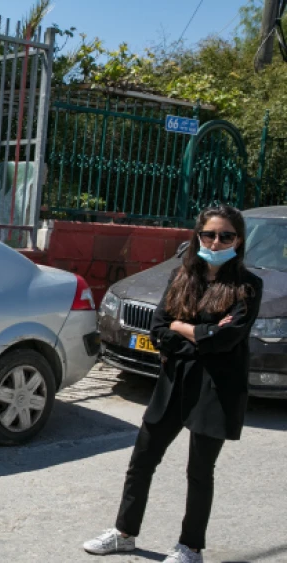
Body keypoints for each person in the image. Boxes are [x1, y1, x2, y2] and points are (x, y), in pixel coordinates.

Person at [83, 204, 263, 563]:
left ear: (238, 240)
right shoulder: (182, 277)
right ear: (198, 235)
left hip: (215, 390)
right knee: (143, 458)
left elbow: (226, 340)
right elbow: (160, 330)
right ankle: (124, 532)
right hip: (174, 381)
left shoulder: (247, 286)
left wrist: (187, 329)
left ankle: (190, 547)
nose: (215, 241)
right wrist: (197, 332)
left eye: (225, 235)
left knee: (199, 470)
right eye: (209, 234)